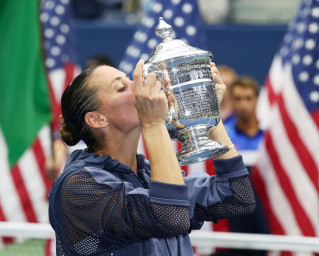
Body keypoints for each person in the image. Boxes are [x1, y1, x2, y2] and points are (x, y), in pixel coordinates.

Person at [48, 60, 256, 255]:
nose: (140, 87)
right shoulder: (78, 186)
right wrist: (154, 124)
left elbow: (237, 197)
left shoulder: (147, 174)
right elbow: (169, 217)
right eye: (121, 88)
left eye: (130, 79)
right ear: (97, 119)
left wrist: (209, 114)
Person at [225, 76, 269, 256]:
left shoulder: (272, 135)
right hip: (235, 218)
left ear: (257, 100)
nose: (243, 104)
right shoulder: (223, 136)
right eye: (238, 98)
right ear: (231, 101)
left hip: (267, 213)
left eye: (249, 98)